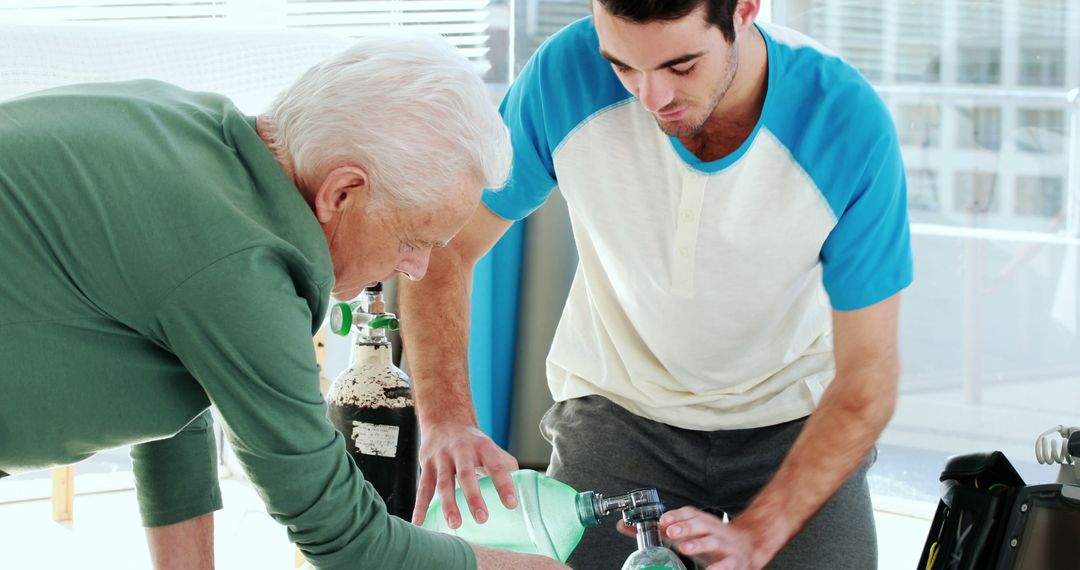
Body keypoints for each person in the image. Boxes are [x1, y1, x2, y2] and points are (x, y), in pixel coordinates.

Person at [0, 33, 567, 570]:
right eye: (412, 240)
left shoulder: (195, 133)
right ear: (342, 192)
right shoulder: (240, 268)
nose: (415, 268)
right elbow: (346, 538)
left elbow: (178, 391)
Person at [399, 1, 913, 569]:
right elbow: (445, 247)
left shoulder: (842, 121)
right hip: (621, 409)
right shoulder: (563, 73)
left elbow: (869, 374)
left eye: (682, 66)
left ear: (743, 10)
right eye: (622, 66)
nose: (650, 97)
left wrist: (759, 534)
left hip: (796, 416)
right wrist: (446, 418)